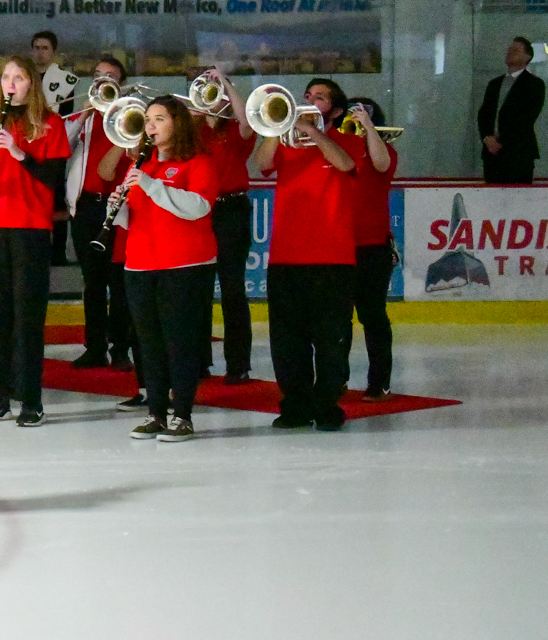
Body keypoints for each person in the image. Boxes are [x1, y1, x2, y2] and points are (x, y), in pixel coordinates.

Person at [0, 56, 70, 426]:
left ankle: (31, 400)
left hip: (30, 227)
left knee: (27, 317)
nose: (10, 83)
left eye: (18, 77)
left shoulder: (50, 124)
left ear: (30, 84)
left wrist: (19, 153)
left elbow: (53, 180)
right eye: (6, 77)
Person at [250, 78, 362, 431]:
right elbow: (260, 163)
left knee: (331, 339)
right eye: (308, 95)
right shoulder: (285, 143)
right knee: (287, 341)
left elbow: (344, 164)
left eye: (320, 98)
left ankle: (327, 405)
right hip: (285, 257)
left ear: (336, 110)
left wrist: (313, 132)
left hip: (333, 258)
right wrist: (276, 128)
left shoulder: (347, 138)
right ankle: (295, 405)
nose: (310, 101)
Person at [114, 96, 218, 442]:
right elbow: (137, 215)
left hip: (185, 264)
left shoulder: (198, 162)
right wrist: (119, 208)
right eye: (148, 119)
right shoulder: (143, 165)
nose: (150, 126)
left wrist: (149, 185)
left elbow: (197, 207)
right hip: (140, 262)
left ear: (178, 123)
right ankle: (156, 413)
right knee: (149, 343)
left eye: (159, 118)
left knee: (180, 341)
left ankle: (183, 415)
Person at [66, 55, 135, 371]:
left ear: (121, 83)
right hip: (86, 206)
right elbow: (62, 147)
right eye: (97, 75)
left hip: (120, 207)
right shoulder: (84, 116)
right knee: (92, 283)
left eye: (110, 76)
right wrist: (83, 114)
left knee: (119, 282)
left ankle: (120, 349)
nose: (102, 81)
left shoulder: (130, 114)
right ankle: (94, 348)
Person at [197, 70, 257, 383]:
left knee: (232, 289)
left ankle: (238, 364)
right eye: (208, 92)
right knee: (198, 288)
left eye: (217, 94)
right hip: (198, 211)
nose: (212, 98)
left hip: (232, 209)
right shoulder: (192, 131)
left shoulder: (235, 129)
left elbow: (247, 120)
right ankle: (199, 361)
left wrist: (226, 83)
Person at [347, 97, 398, 399]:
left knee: (373, 316)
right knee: (336, 319)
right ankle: (335, 380)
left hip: (373, 246)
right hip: (338, 246)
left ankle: (379, 381)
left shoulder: (384, 151)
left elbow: (381, 164)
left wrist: (368, 129)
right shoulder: (338, 151)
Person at [479, 36, 544, 184]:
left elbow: (525, 119)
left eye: (515, 50)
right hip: (492, 156)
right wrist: (487, 138)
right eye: (509, 50)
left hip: (518, 154)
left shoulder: (534, 84)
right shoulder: (494, 84)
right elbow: (484, 114)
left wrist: (500, 141)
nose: (510, 53)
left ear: (527, 57)